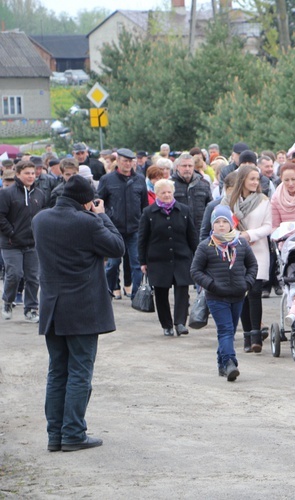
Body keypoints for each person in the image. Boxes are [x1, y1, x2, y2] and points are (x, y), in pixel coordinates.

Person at [33, 175, 125, 452]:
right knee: (79, 373)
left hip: (52, 306)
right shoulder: (88, 222)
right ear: (87, 200)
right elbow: (117, 247)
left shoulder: (40, 220)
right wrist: (101, 216)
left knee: (57, 372)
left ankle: (55, 435)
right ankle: (73, 432)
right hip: (83, 308)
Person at [191, 205, 258, 381]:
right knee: (226, 330)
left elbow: (252, 265)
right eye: (217, 222)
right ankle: (230, 363)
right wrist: (211, 285)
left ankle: (222, 364)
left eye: (225, 222)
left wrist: (247, 283)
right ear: (212, 225)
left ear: (231, 224)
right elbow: (195, 271)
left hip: (237, 295)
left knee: (231, 329)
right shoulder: (206, 246)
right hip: (216, 296)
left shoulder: (241, 243)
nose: (221, 225)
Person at [138, 179, 199, 337]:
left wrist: (199, 257)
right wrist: (142, 261)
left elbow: (192, 236)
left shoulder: (184, 211)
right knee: (161, 293)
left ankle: (180, 323)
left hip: (181, 257)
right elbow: (142, 239)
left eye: (169, 192)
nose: (166, 195)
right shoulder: (148, 213)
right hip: (158, 259)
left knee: (182, 291)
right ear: (157, 194)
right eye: (163, 192)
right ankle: (166, 324)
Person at [225, 165, 273, 353]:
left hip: (258, 250)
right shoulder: (229, 201)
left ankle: (256, 336)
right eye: (251, 179)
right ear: (242, 180)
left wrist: (250, 235)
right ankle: (246, 336)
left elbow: (268, 226)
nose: (255, 182)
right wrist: (238, 236)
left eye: (257, 179)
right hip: (237, 251)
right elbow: (223, 224)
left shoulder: (263, 201)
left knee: (255, 292)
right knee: (242, 293)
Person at [97, 148, 148, 299]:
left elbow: (144, 205)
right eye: (125, 161)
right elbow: (99, 201)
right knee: (112, 265)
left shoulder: (139, 179)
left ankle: (136, 295)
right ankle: (109, 291)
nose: (128, 164)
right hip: (114, 229)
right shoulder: (107, 180)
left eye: (130, 161)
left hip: (135, 228)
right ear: (118, 161)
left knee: (137, 264)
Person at [0, 161, 45, 322]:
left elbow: (42, 216)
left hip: (32, 243)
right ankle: (8, 301)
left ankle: (31, 309)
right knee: (14, 274)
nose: (31, 176)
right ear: (18, 174)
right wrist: (11, 232)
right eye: (27, 173)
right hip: (11, 243)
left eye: (33, 173)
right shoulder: (6, 194)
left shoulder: (39, 194)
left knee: (33, 277)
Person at [171, 153, 213, 233]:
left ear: (194, 167)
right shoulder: (170, 185)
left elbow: (210, 207)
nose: (187, 168)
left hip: (199, 230)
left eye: (190, 166)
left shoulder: (204, 184)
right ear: (177, 167)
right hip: (177, 231)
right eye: (184, 166)